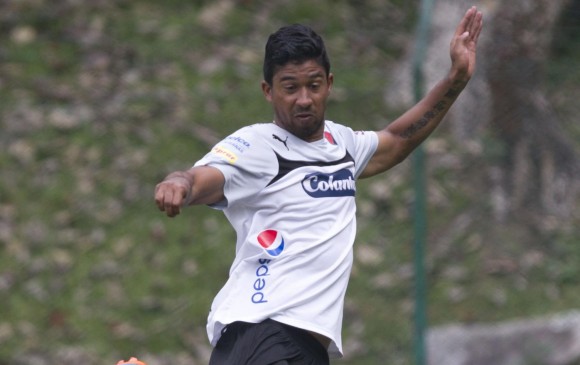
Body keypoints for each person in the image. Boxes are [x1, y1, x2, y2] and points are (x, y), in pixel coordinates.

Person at [154, 6, 483, 365]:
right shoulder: (259, 146)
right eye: (290, 88)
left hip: (271, 346)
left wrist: (455, 80)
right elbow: (204, 177)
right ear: (268, 91)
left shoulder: (342, 145)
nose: (304, 99)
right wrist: (179, 184)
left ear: (329, 83)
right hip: (270, 333)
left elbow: (397, 140)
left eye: (313, 85)